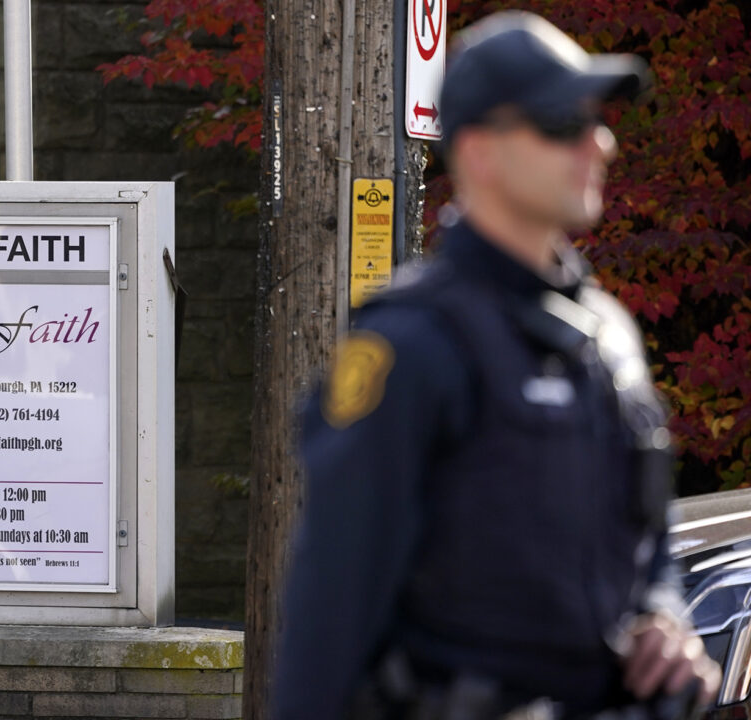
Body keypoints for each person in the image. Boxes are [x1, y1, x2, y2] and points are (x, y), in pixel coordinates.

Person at [275, 11, 722, 720]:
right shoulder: (411, 347)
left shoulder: (609, 337)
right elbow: (328, 616)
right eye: (560, 125)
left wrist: (665, 621)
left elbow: (651, 549)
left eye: (595, 121)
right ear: (479, 152)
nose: (598, 143)